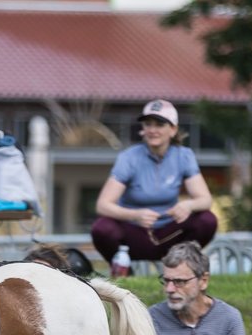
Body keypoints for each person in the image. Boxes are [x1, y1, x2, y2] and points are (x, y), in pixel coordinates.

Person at [90, 99, 217, 268]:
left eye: (159, 124)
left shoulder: (184, 156)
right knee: (102, 228)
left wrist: (188, 205)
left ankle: (181, 267)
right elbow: (103, 205)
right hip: (134, 233)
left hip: (169, 234)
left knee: (207, 220)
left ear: (173, 129)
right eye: (148, 124)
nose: (152, 130)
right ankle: (122, 270)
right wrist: (135, 215)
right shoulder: (128, 158)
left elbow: (205, 200)